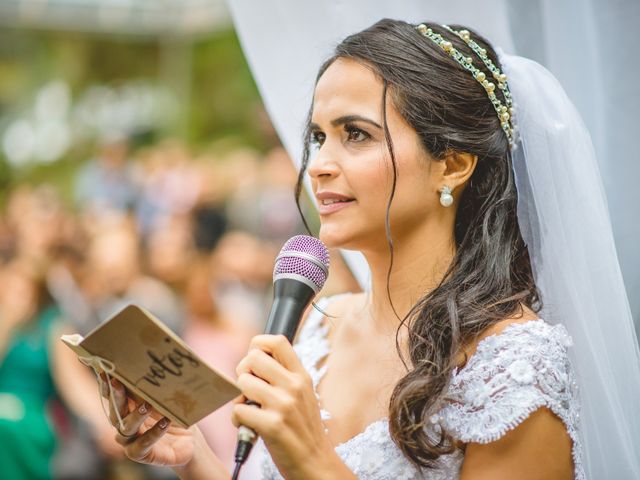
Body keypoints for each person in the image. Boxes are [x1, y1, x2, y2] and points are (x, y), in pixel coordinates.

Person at [98, 19, 640, 479]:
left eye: (355, 134)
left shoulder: (515, 370)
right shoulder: (318, 327)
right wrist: (194, 455)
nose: (319, 165)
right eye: (318, 137)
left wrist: (312, 460)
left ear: (452, 163)